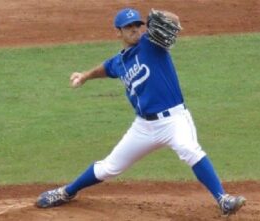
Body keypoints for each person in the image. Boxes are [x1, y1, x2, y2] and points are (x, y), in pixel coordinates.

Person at [36, 8, 246, 216]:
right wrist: (84, 76)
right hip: (144, 126)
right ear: (118, 32)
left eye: (138, 25)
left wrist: (162, 15)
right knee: (108, 168)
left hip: (174, 120)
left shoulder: (152, 44)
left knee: (189, 149)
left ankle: (223, 199)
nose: (135, 30)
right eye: (129, 27)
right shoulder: (119, 62)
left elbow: (174, 20)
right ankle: (66, 192)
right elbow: (106, 68)